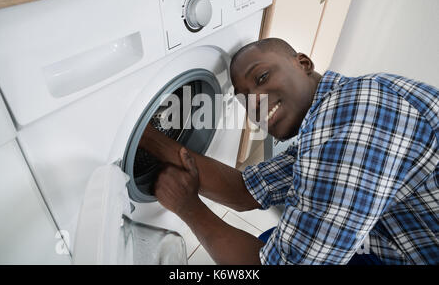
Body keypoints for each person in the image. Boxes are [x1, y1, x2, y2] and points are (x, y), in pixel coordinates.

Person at [138, 38, 439, 265]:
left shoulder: (359, 118)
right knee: (275, 240)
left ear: (303, 63)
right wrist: (146, 136)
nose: (254, 102)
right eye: (244, 99)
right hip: (394, 241)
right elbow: (245, 191)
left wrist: (189, 208)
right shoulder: (330, 118)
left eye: (261, 78)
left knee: (273, 250)